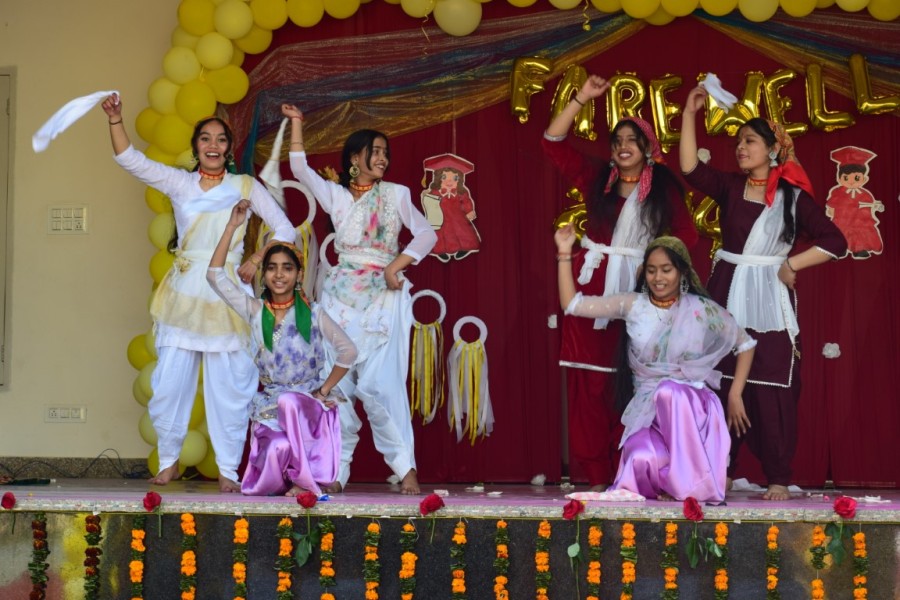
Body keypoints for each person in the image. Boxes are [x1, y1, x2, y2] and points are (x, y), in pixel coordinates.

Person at [101, 94, 296, 492]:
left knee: (231, 386)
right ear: (196, 147)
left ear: (229, 148)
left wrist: (256, 258)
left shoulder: (245, 186)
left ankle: (228, 469)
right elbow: (129, 159)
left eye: (221, 139)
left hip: (227, 292)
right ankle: (169, 461)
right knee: (169, 383)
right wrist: (116, 120)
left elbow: (285, 229)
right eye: (205, 138)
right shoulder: (181, 183)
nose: (213, 145)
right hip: (186, 291)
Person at [679, 86, 847, 500]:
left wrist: (792, 264)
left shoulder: (793, 199)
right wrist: (688, 114)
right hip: (727, 289)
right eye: (738, 142)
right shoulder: (730, 186)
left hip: (771, 296)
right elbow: (689, 169)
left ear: (773, 150)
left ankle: (777, 476)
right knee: (720, 378)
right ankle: (721, 468)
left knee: (772, 382)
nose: (741, 148)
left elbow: (836, 241)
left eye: (750, 141)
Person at [543, 74, 699, 491]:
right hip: (594, 288)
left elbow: (686, 237)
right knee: (591, 383)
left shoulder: (663, 186)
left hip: (642, 292)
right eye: (617, 141)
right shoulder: (599, 178)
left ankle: (629, 472)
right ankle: (597, 476)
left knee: (633, 384)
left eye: (632, 140)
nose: (623, 146)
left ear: (647, 147)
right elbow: (552, 143)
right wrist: (581, 97)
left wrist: (658, 271)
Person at [281, 103, 438, 494]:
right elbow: (299, 168)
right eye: (375, 151)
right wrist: (297, 122)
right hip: (340, 297)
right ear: (355, 158)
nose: (383, 158)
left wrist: (395, 266)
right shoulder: (336, 196)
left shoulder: (396, 194)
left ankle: (405, 467)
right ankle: (335, 471)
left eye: (385, 152)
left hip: (382, 298)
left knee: (382, 385)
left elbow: (427, 234)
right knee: (337, 385)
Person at [556, 229, 756, 502]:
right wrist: (564, 252)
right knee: (639, 457)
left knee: (669, 391)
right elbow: (572, 304)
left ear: (682, 272)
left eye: (666, 270)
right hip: (648, 409)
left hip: (691, 410)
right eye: (651, 271)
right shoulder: (633, 305)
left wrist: (735, 394)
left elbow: (746, 344)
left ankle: (690, 487)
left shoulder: (701, 309)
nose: (658, 278)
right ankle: (666, 486)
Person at [207, 201, 357, 496]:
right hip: (271, 408)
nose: (279, 274)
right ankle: (293, 477)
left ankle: (305, 481)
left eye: (287, 268)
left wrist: (324, 391)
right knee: (277, 446)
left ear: (299, 275)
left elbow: (348, 352)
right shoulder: (254, 310)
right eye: (272, 268)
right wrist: (232, 227)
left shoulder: (314, 314)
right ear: (263, 275)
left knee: (290, 401)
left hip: (309, 407)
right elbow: (214, 276)